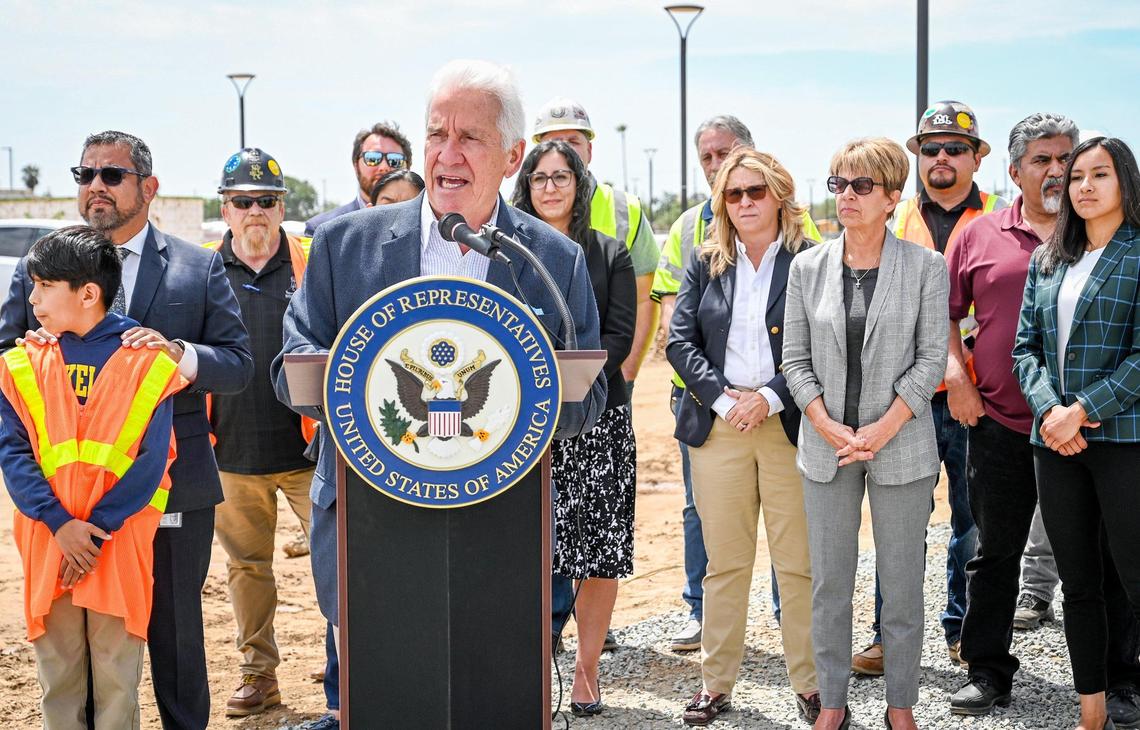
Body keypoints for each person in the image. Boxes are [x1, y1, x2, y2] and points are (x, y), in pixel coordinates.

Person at [271, 59, 607, 730]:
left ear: (513, 155)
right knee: (382, 702)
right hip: (371, 523)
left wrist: (520, 397)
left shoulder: (552, 259)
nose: (447, 155)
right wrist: (358, 380)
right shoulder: (343, 245)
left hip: (502, 527)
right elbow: (291, 369)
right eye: (436, 134)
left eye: (470, 138)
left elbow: (588, 401)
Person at [0, 130, 254, 730]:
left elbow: (239, 365)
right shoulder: (44, 269)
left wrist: (177, 353)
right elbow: (10, 359)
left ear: (148, 187)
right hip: (64, 506)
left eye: (111, 176)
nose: (95, 188)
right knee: (80, 657)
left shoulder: (197, 265)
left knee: (173, 636)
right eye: (84, 175)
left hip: (171, 486)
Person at [783, 137, 949, 730]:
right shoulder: (807, 267)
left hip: (900, 445)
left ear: (891, 197)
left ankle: (900, 707)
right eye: (838, 185)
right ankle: (832, 704)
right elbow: (795, 362)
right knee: (830, 584)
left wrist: (880, 429)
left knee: (902, 585)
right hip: (826, 449)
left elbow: (932, 359)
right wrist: (827, 425)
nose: (846, 196)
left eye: (861, 186)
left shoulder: (926, 267)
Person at [0, 226, 185, 730]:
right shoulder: (23, 362)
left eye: (42, 285)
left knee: (117, 682)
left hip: (116, 543)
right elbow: (13, 453)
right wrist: (61, 523)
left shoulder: (147, 362)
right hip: (50, 539)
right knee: (58, 679)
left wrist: (93, 529)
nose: (31, 297)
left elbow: (152, 462)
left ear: (87, 293)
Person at [654, 115, 823, 651]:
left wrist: (769, 397)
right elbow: (679, 342)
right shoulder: (704, 259)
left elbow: (821, 346)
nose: (744, 201)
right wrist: (725, 401)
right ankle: (716, 681)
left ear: (778, 197)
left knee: (797, 563)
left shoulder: (808, 260)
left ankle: (810, 683)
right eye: (733, 194)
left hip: (787, 424)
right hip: (718, 426)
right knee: (724, 564)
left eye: (755, 191)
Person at [852, 100, 1006, 676]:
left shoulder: (1001, 219)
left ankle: (964, 631)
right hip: (902, 400)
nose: (942, 158)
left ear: (976, 159)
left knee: (973, 524)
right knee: (899, 526)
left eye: (955, 148)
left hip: (975, 397)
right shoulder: (889, 218)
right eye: (931, 149)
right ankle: (890, 637)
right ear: (917, 159)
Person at [945, 113, 1090, 715]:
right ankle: (988, 669)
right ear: (1014, 171)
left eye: (1066, 159)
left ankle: (1117, 676)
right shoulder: (978, 235)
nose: (1057, 170)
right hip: (1001, 422)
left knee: (1099, 554)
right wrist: (957, 377)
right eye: (1042, 160)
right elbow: (945, 314)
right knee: (994, 551)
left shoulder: (1105, 232)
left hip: (1088, 429)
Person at [1012, 136, 1140, 730]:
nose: (1084, 186)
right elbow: (1025, 350)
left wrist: (1081, 409)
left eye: (1100, 175)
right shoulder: (1049, 258)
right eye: (1077, 176)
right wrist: (1049, 413)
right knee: (1079, 586)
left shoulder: (1138, 253)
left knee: (1134, 577)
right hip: (1055, 446)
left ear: (1125, 184)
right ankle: (1090, 712)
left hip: (1122, 442)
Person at [511, 139, 636, 716]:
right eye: (540, 178)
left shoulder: (610, 254)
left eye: (563, 176)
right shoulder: (503, 253)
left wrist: (555, 375)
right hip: (518, 426)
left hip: (598, 422)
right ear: (526, 186)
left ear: (579, 186)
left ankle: (585, 673)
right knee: (528, 552)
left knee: (597, 554)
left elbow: (616, 338)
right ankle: (531, 669)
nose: (551, 187)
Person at [202, 148, 318, 718]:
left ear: (281, 208)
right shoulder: (200, 271)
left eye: (266, 201)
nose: (255, 211)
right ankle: (258, 675)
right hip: (232, 452)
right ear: (225, 209)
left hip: (310, 449)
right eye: (243, 200)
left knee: (339, 561)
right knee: (247, 570)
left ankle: (353, 661)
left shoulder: (309, 264)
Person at [303, 121, 413, 236]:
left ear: (408, 167)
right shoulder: (323, 229)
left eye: (395, 160)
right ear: (356, 166)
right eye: (372, 158)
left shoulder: (426, 225)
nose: (384, 167)